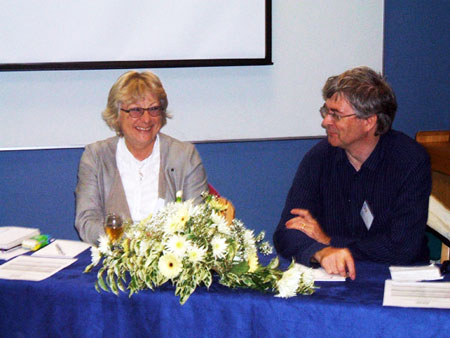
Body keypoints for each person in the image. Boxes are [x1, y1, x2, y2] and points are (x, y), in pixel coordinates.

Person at [273, 66, 431, 279]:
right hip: (334, 279)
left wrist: (329, 241)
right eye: (326, 111)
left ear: (368, 121)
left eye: (336, 115)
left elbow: (402, 248)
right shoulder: (319, 158)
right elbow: (286, 232)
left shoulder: (409, 161)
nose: (325, 122)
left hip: (397, 280)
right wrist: (321, 252)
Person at [75, 71, 208, 244]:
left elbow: (197, 221)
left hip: (169, 265)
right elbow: (86, 222)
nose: (146, 119)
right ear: (116, 115)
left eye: (153, 109)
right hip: (112, 263)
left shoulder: (185, 157)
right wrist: (130, 243)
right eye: (136, 110)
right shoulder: (95, 157)